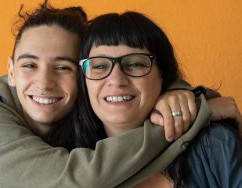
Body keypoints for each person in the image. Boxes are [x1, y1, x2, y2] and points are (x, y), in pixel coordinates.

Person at [0, 1, 239, 187]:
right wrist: (194, 114)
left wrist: (180, 96)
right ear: (10, 71)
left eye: (63, 67)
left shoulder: (73, 128)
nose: (44, 83)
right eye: (29, 64)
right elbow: (74, 180)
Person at [76, 11, 242, 187]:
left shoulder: (214, 145)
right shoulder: (65, 157)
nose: (116, 80)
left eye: (135, 64)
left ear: (162, 74)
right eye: (100, 66)